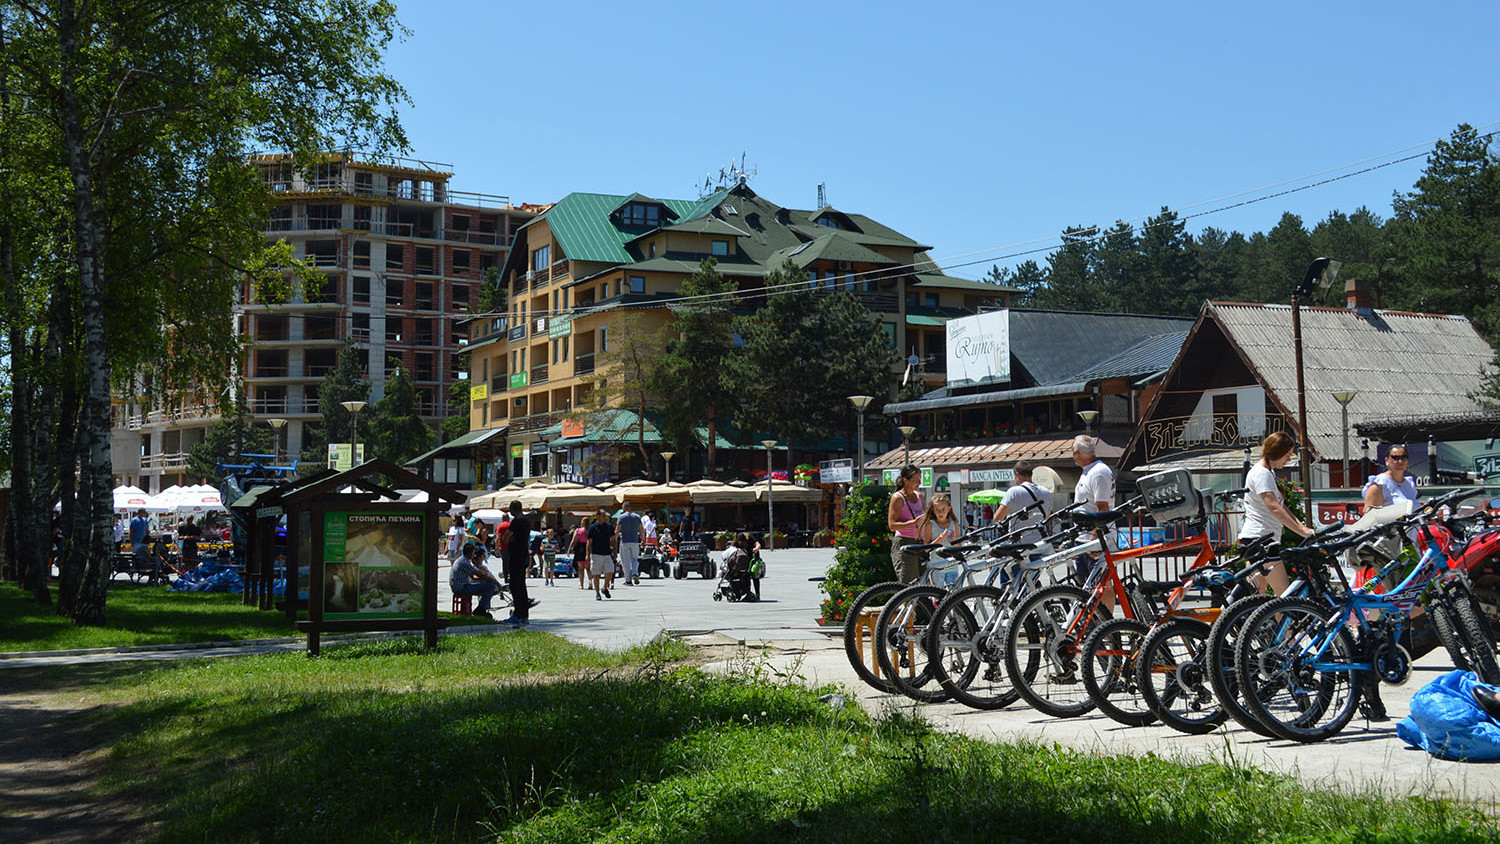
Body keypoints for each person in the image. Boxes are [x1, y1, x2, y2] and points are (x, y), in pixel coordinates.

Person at [1239, 431, 1314, 594]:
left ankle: (1246, 620)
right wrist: (1302, 531)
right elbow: (1273, 507)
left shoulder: (1267, 472)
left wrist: (1302, 527)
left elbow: (1282, 506)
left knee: (1254, 596)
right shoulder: (1261, 473)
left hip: (1257, 539)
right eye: (1287, 455)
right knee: (1284, 595)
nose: (1288, 459)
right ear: (1277, 453)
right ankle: (1279, 620)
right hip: (1262, 540)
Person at [1072, 435, 1115, 583]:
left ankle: (1106, 608)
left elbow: (1103, 507)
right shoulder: (1088, 471)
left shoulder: (1098, 472)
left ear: (1077, 452)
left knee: (1102, 584)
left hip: (1095, 538)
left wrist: (1095, 538)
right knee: (1086, 585)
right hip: (1083, 538)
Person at [993, 462, 1053, 544]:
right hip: (1041, 542)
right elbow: (1047, 517)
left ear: (1017, 474)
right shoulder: (1046, 492)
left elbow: (997, 518)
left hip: (1020, 543)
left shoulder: (1013, 492)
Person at [887, 465, 927, 582]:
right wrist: (912, 522)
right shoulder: (898, 498)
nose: (919, 483)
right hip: (904, 542)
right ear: (905, 480)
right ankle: (903, 601)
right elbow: (892, 525)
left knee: (924, 584)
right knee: (909, 585)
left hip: (920, 542)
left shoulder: (919, 496)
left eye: (920, 479)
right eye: (916, 480)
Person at [502, 501, 535, 626]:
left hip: (515, 556)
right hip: (524, 555)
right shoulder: (527, 521)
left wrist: (510, 538)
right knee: (522, 585)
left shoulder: (516, 521)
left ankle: (517, 614)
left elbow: (505, 538)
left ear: (512, 509)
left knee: (514, 586)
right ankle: (524, 615)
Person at [450, 542, 501, 620]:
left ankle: (482, 608)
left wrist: (485, 580)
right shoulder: (465, 562)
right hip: (461, 588)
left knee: (487, 585)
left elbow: (474, 577)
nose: (474, 555)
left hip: (460, 585)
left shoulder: (461, 560)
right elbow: (480, 575)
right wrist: (496, 583)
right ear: (470, 553)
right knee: (491, 587)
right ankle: (481, 609)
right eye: (474, 552)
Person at [1363, 445, 1418, 514]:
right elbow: (1369, 517)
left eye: (1404, 458)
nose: (1400, 462)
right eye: (1395, 458)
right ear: (1387, 460)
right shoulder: (1378, 485)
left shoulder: (1410, 485)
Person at [588, 507, 616, 600]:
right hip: (596, 553)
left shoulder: (609, 526)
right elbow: (589, 542)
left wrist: (615, 551)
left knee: (610, 571)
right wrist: (587, 555)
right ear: (598, 516)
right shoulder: (593, 527)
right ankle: (597, 593)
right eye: (603, 516)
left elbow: (613, 539)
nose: (604, 517)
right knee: (596, 574)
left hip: (607, 553)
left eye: (605, 516)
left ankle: (604, 587)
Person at [616, 501, 644, 586]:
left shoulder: (621, 517)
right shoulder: (637, 517)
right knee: (635, 559)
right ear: (630, 507)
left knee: (625, 561)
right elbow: (641, 529)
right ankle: (635, 573)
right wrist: (643, 540)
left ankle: (628, 580)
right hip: (635, 541)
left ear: (624, 508)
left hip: (624, 541)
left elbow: (617, 530)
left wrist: (614, 539)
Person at [570, 518, 591, 589]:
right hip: (588, 549)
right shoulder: (590, 530)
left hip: (580, 549)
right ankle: (590, 582)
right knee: (588, 568)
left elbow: (573, 541)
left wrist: (569, 549)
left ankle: (581, 584)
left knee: (580, 568)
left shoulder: (578, 530)